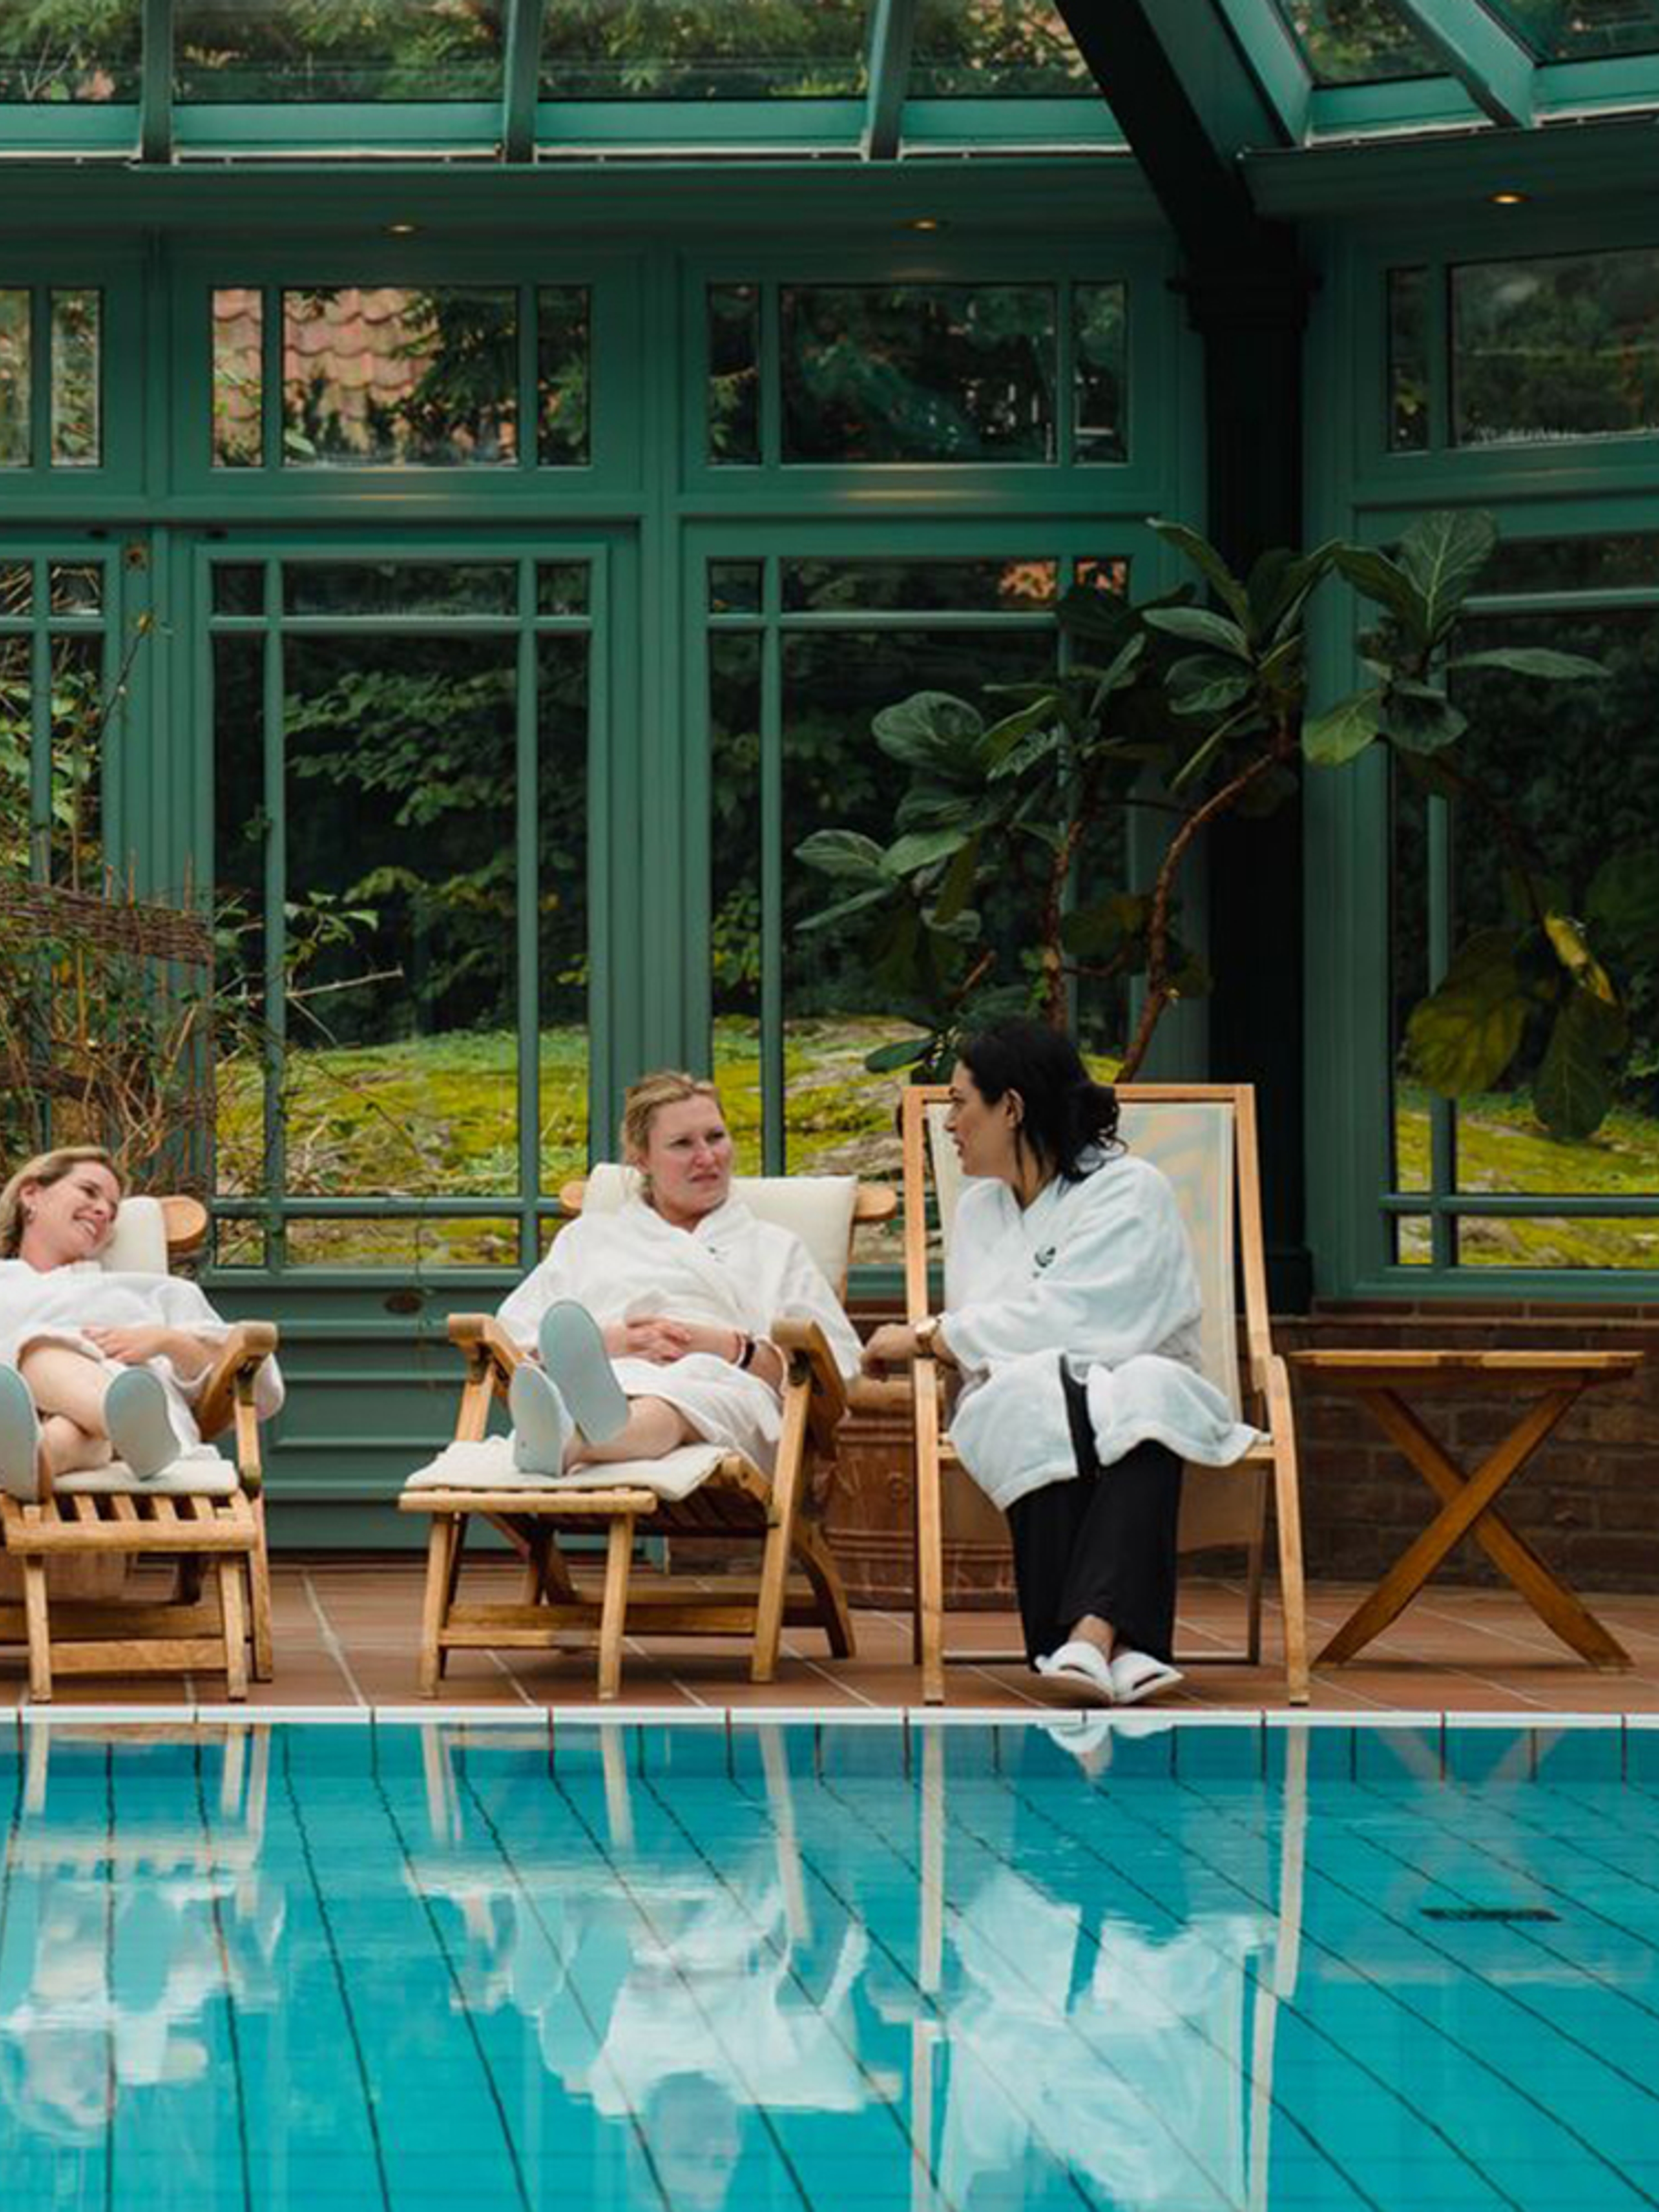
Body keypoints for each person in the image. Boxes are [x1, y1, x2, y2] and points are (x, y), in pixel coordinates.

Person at [864, 1020, 1255, 1707]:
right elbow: (1010, 1332)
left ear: (1011, 1108)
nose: (948, 1122)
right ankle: (1125, 1648)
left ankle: (1088, 1635)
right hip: (1031, 1398)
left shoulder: (1132, 1190)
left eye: (961, 1103)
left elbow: (1086, 1320)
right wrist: (975, 1339)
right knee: (1033, 1394)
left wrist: (927, 1335)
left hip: (1137, 1384)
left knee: (1146, 1396)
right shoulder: (982, 1209)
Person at [500, 1071, 862, 1477]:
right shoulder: (589, 1238)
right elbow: (512, 1341)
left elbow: (840, 1368)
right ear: (641, 1159)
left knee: (683, 1394)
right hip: (617, 1376)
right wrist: (611, 1342)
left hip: (727, 1388)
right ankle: (584, 1422)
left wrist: (731, 1349)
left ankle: (571, 1443)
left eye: (716, 1137)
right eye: (682, 1144)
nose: (707, 1158)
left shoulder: (775, 1248)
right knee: (624, 1388)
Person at [0, 1145, 284, 1497]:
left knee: (39, 1350)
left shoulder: (154, 1291)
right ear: (32, 1195)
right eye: (89, 1192)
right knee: (51, 1386)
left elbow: (255, 1383)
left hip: (143, 1408)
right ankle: (48, 1457)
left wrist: (166, 1341)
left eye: (113, 1210)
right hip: (46, 1429)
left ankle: (122, 1425)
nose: (103, 1210)